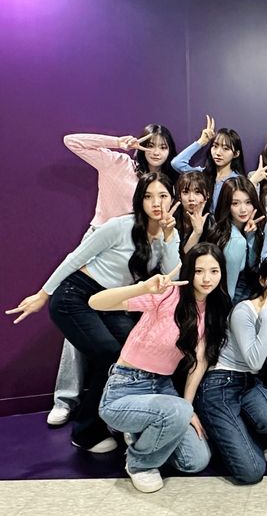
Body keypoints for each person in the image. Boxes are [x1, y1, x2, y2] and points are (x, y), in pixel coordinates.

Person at [6, 173, 181, 452]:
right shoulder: (120, 226)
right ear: (139, 200)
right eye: (148, 196)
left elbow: (173, 276)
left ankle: (119, 416)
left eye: (163, 196)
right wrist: (43, 295)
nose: (156, 203)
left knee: (132, 351)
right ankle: (87, 433)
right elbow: (75, 258)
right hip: (75, 296)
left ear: (172, 199)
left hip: (110, 302)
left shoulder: (168, 235)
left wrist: (169, 237)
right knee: (110, 354)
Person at [47, 125, 178, 426]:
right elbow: (73, 140)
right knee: (78, 329)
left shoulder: (166, 185)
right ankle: (65, 399)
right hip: (103, 244)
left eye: (163, 146)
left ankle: (116, 406)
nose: (156, 151)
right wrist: (117, 142)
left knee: (118, 336)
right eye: (150, 144)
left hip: (136, 254)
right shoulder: (118, 163)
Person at [90, 243, 231, 492]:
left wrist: (187, 410)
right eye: (199, 271)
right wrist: (143, 287)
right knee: (177, 412)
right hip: (126, 386)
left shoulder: (213, 310)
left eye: (214, 271)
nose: (206, 278)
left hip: (163, 387)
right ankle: (139, 464)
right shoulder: (167, 294)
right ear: (189, 272)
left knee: (196, 461)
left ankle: (143, 430)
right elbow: (96, 302)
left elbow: (199, 363)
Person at [195, 253, 267, 485]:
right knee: (252, 472)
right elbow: (254, 361)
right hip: (219, 385)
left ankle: (235, 432)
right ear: (263, 280)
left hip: (247, 382)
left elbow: (261, 364)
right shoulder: (245, 310)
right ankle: (221, 434)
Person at [208, 177, 266, 303]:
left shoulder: (227, 229)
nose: (243, 209)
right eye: (235, 203)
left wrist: (250, 235)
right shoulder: (236, 240)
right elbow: (229, 290)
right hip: (231, 301)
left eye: (248, 202)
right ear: (226, 205)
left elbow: (253, 265)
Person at [171, 115, 246, 210]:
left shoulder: (237, 181)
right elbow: (176, 163)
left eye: (225, 148)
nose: (218, 153)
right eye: (215, 146)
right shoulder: (202, 174)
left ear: (236, 154)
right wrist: (201, 142)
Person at [174, 171, 214, 256]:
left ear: (207, 195)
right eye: (186, 192)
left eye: (197, 192)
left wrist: (197, 232)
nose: (191, 198)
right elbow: (179, 260)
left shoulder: (212, 224)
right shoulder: (172, 219)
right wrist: (196, 233)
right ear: (179, 196)